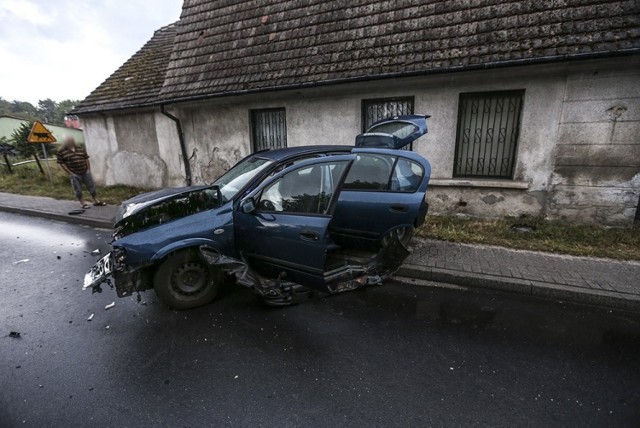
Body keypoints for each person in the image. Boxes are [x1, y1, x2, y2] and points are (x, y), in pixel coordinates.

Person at [57, 136, 106, 209]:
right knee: (78, 189)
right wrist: (70, 172)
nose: (70, 142)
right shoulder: (61, 151)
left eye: (71, 140)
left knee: (91, 186)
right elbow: (61, 163)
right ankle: (82, 203)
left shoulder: (80, 148)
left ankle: (95, 201)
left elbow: (86, 158)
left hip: (85, 171)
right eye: (68, 141)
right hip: (74, 173)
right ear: (65, 142)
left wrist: (88, 169)